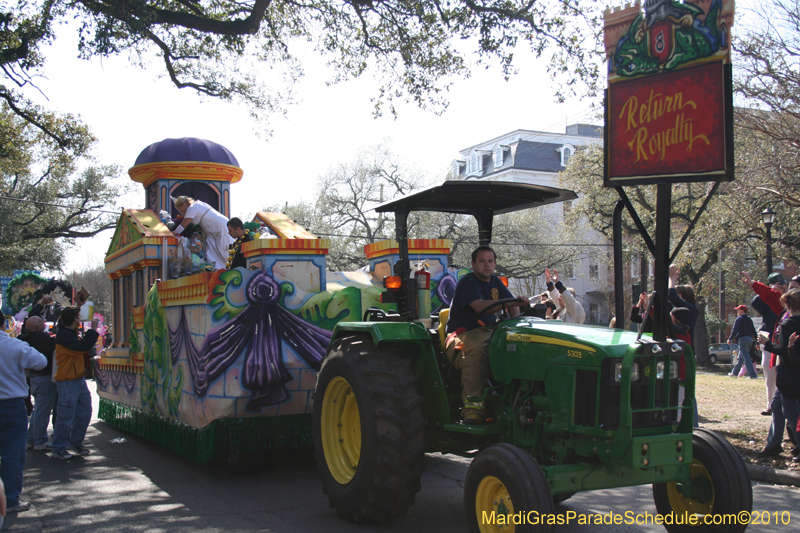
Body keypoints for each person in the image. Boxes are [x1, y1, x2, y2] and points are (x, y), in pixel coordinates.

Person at [445, 246, 528, 424]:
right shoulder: (468, 282)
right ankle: (473, 407)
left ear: (495, 264)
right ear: (473, 264)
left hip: (489, 332)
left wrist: (516, 323)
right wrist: (509, 303)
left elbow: (511, 303)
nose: (486, 265)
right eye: (482, 261)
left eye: (490, 261)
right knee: (476, 349)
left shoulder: (496, 282)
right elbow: (480, 307)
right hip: (462, 335)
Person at [0, 315, 47, 514]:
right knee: (12, 454)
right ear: (3, 324)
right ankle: (10, 500)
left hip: (12, 404)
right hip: (11, 404)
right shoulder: (14, 345)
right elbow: (41, 361)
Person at [51, 308, 100, 460]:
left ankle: (75, 442)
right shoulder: (64, 336)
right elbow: (83, 347)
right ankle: (59, 448)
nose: (80, 319)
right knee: (65, 416)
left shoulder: (69, 333)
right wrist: (92, 330)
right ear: (74, 320)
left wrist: (79, 304)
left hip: (77, 379)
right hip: (67, 381)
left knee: (84, 412)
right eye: (78, 317)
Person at [759, 289, 800, 463]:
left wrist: (766, 343)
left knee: (791, 414)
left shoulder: (788, 324)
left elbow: (784, 351)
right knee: (776, 406)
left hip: (789, 376)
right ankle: (774, 443)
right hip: (793, 375)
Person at [18, 316, 57, 451]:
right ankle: (40, 440)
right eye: (42, 323)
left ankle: (30, 438)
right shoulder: (44, 339)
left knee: (38, 409)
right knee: (42, 410)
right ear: (37, 327)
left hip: (30, 377)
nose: (44, 324)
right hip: (45, 376)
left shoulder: (22, 338)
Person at [171, 196, 234, 270]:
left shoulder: (192, 208)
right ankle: (219, 268)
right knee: (210, 250)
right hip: (212, 231)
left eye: (179, 208)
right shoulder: (198, 204)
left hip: (218, 227)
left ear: (183, 204)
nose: (180, 211)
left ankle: (231, 266)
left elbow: (183, 225)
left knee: (223, 248)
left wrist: (174, 234)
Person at [728, 304, 758, 379]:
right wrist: (757, 342)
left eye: (738, 310)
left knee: (746, 357)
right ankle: (734, 373)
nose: (737, 311)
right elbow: (753, 331)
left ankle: (753, 375)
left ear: (742, 310)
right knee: (741, 358)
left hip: (742, 339)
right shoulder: (749, 319)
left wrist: (730, 338)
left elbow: (735, 330)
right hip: (749, 339)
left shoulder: (739, 319)